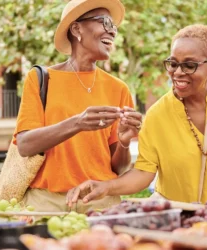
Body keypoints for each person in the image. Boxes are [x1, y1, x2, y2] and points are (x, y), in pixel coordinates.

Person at [66, 24, 207, 206]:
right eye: (173, 63)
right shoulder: (157, 115)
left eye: (189, 65)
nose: (178, 72)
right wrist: (105, 187)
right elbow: (143, 173)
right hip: (181, 220)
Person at [15, 0, 142, 213]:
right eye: (105, 22)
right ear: (76, 28)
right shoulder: (40, 79)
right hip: (46, 204)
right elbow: (25, 145)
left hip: (100, 203)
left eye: (114, 26)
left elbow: (117, 169)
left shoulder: (118, 88)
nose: (112, 32)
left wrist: (124, 142)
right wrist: (78, 123)